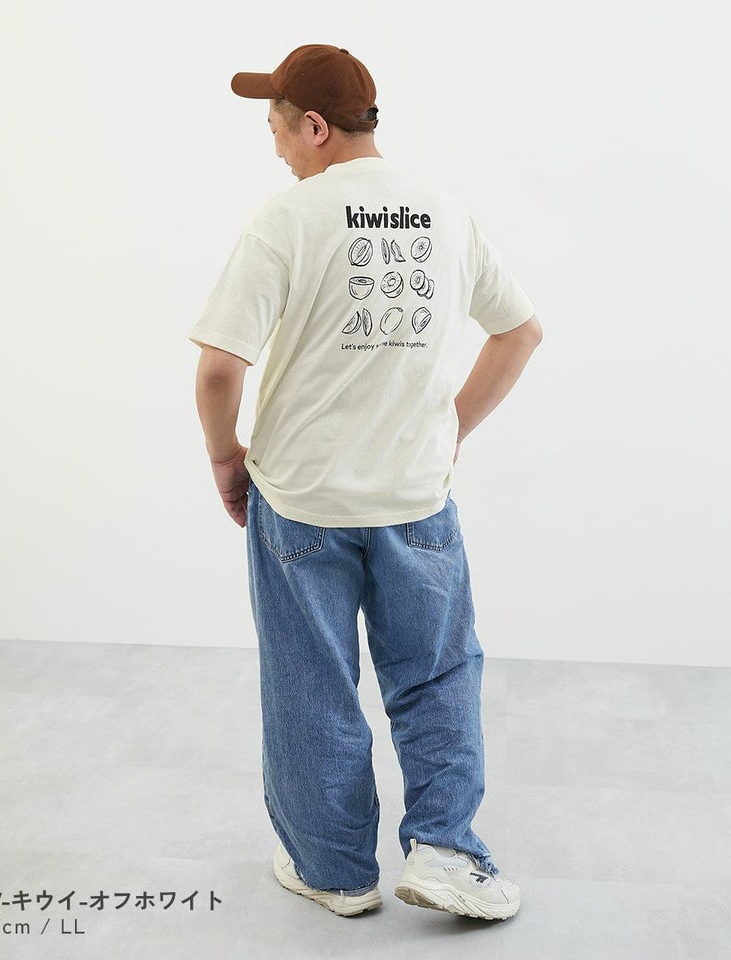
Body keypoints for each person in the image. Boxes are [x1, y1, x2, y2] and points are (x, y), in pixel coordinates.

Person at [189, 43, 542, 920]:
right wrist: (451, 428)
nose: (276, 149)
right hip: (416, 498)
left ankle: (335, 871)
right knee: (436, 676)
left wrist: (226, 458)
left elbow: (219, 369)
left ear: (315, 127)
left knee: (311, 684)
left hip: (300, 501)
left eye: (278, 130)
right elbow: (520, 333)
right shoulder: (446, 214)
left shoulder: (288, 219)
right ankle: (448, 852)